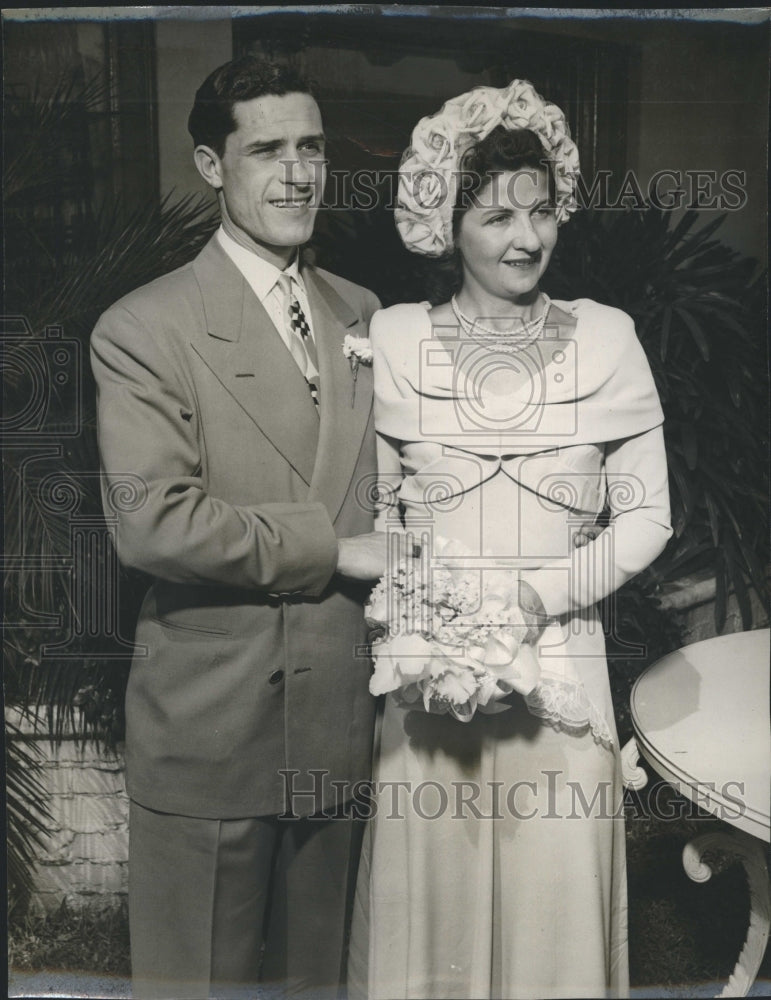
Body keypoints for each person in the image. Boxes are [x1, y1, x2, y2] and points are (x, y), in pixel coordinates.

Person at [347, 80, 672, 999]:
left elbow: (647, 515)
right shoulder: (395, 340)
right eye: (495, 216)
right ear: (446, 225)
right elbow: (377, 518)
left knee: (552, 922)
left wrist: (538, 599)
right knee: (432, 924)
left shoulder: (607, 339)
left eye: (539, 211)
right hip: (426, 689)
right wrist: (422, 620)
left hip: (562, 681)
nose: (525, 238)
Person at [90, 56, 386, 999]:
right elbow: (154, 525)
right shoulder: (144, 327)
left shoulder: (368, 313)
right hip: (212, 736)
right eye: (266, 150)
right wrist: (331, 550)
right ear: (212, 166)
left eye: (311, 147)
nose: (296, 172)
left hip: (337, 733)